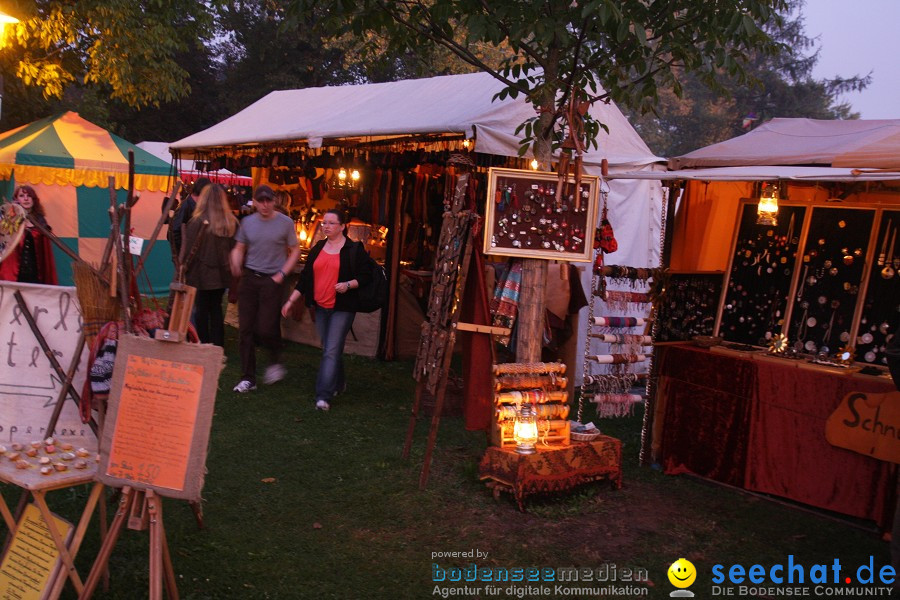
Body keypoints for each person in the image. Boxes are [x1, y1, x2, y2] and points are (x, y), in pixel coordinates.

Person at [282, 209, 373, 411]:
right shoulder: (318, 248)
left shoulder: (353, 249)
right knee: (330, 348)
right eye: (324, 223)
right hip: (321, 307)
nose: (326, 226)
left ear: (342, 226)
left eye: (332, 223)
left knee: (330, 351)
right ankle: (339, 383)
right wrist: (291, 301)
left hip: (343, 307)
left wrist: (348, 285)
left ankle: (323, 396)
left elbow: (367, 276)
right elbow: (305, 278)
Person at [230, 184, 300, 392]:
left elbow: (295, 250)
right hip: (250, 277)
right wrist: (235, 261)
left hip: (273, 280)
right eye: (261, 201)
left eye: (268, 200)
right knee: (246, 329)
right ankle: (248, 378)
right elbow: (239, 247)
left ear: (274, 201)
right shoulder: (247, 222)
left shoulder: (285, 223)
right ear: (255, 202)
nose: (265, 205)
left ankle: (275, 360)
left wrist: (282, 274)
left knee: (267, 328)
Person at [179, 183, 239, 348]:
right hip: (221, 276)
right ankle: (217, 346)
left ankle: (203, 344)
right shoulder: (231, 222)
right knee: (216, 309)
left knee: (202, 311)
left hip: (201, 275)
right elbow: (236, 249)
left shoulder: (197, 221)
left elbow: (189, 250)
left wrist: (184, 268)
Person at [0, 185, 58, 284]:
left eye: (29, 196)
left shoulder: (41, 222)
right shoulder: (9, 221)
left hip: (34, 274)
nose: (26, 198)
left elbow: (45, 254)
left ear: (33, 200)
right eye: (22, 196)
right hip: (11, 273)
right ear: (16, 200)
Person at [171, 177, 210, 256]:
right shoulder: (185, 207)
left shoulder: (194, 206)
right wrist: (185, 249)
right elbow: (174, 232)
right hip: (185, 255)